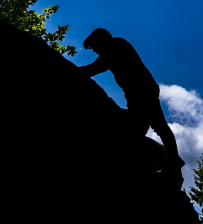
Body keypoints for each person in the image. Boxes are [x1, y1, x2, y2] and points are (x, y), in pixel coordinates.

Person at [78, 28, 184, 188]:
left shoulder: (116, 45)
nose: (95, 51)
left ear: (101, 38)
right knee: (139, 131)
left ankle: (172, 164)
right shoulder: (113, 49)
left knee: (154, 128)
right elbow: (97, 66)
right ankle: (169, 162)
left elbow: (95, 68)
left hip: (143, 92)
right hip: (136, 95)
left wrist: (71, 71)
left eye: (94, 46)